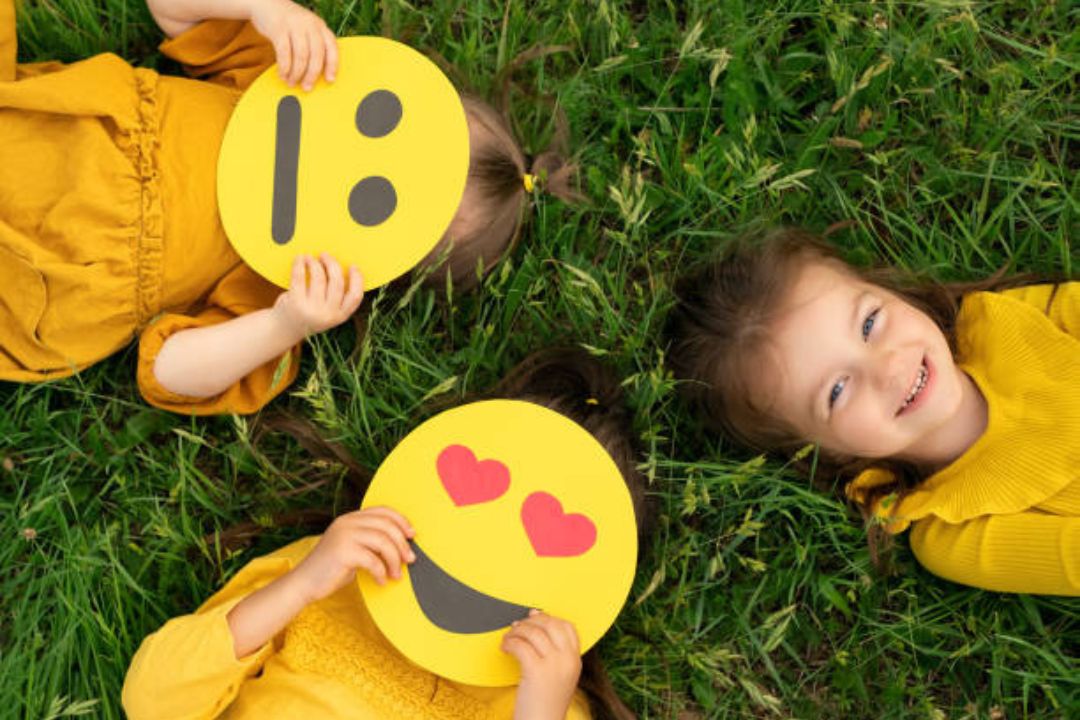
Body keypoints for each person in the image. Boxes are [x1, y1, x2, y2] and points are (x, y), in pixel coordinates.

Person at [0, 0, 577, 414]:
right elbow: (171, 8)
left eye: (376, 204)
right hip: (40, 133)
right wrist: (263, 10)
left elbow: (167, 371)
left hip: (44, 260)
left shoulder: (273, 284)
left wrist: (282, 323)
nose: (343, 171)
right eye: (380, 125)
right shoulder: (273, 79)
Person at [122, 349, 651, 719]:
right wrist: (301, 585)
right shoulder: (332, 574)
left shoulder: (540, 691)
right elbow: (151, 700)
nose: (484, 553)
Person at [667, 227, 1078, 595]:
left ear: (889, 291)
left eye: (869, 324)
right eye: (838, 390)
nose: (889, 368)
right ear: (824, 452)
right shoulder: (953, 535)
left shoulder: (1007, 319)